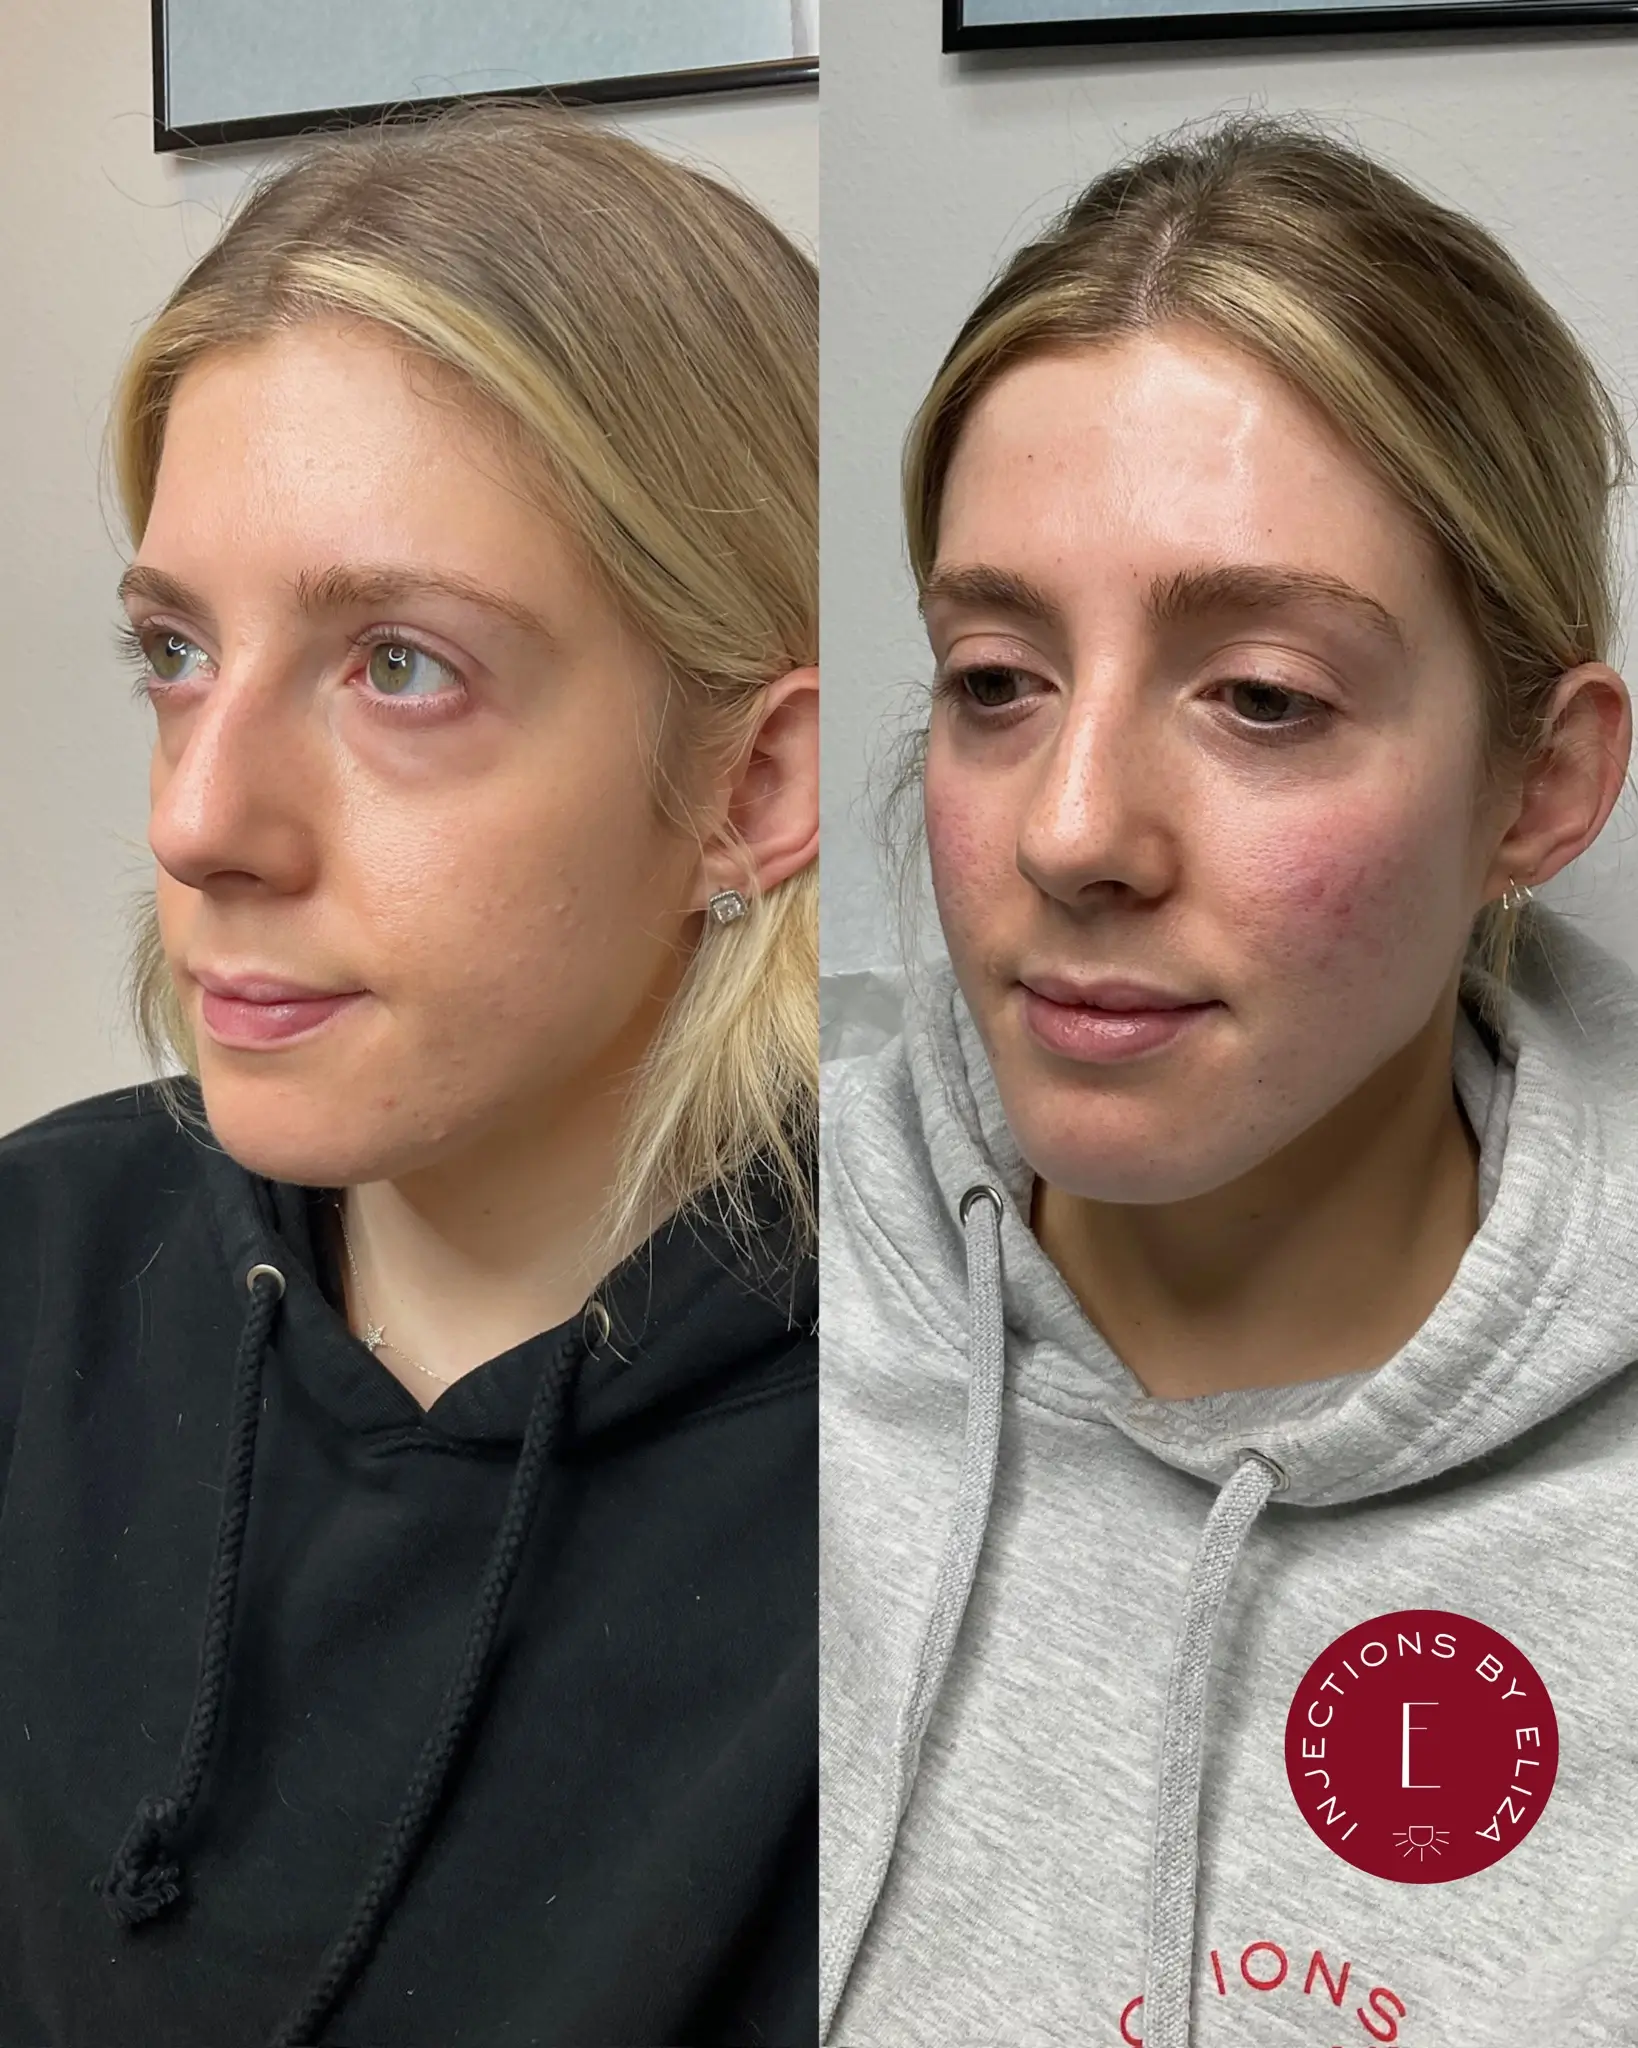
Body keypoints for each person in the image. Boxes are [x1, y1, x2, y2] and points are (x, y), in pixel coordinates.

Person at [0, 102, 818, 2048]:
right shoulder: (38, 1268)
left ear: (750, 782)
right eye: (176, 651)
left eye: (398, 667)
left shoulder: (947, 1481)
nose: (199, 821)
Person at [819, 115, 1638, 2048]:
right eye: (995, 679)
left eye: (1260, 696)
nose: (1070, 832)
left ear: (1538, 788)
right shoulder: (724, 1284)